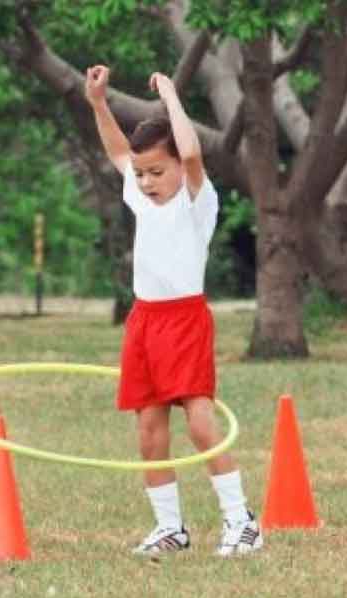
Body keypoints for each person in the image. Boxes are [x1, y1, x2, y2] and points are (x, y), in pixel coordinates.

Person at [85, 64, 262, 556]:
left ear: (180, 172)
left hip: (183, 321)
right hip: (144, 320)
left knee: (201, 424)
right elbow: (120, 151)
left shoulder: (195, 200)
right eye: (141, 174)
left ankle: (241, 521)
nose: (145, 181)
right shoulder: (141, 199)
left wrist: (171, 98)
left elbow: (189, 150)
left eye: (156, 172)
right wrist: (99, 104)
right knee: (148, 429)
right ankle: (171, 528)